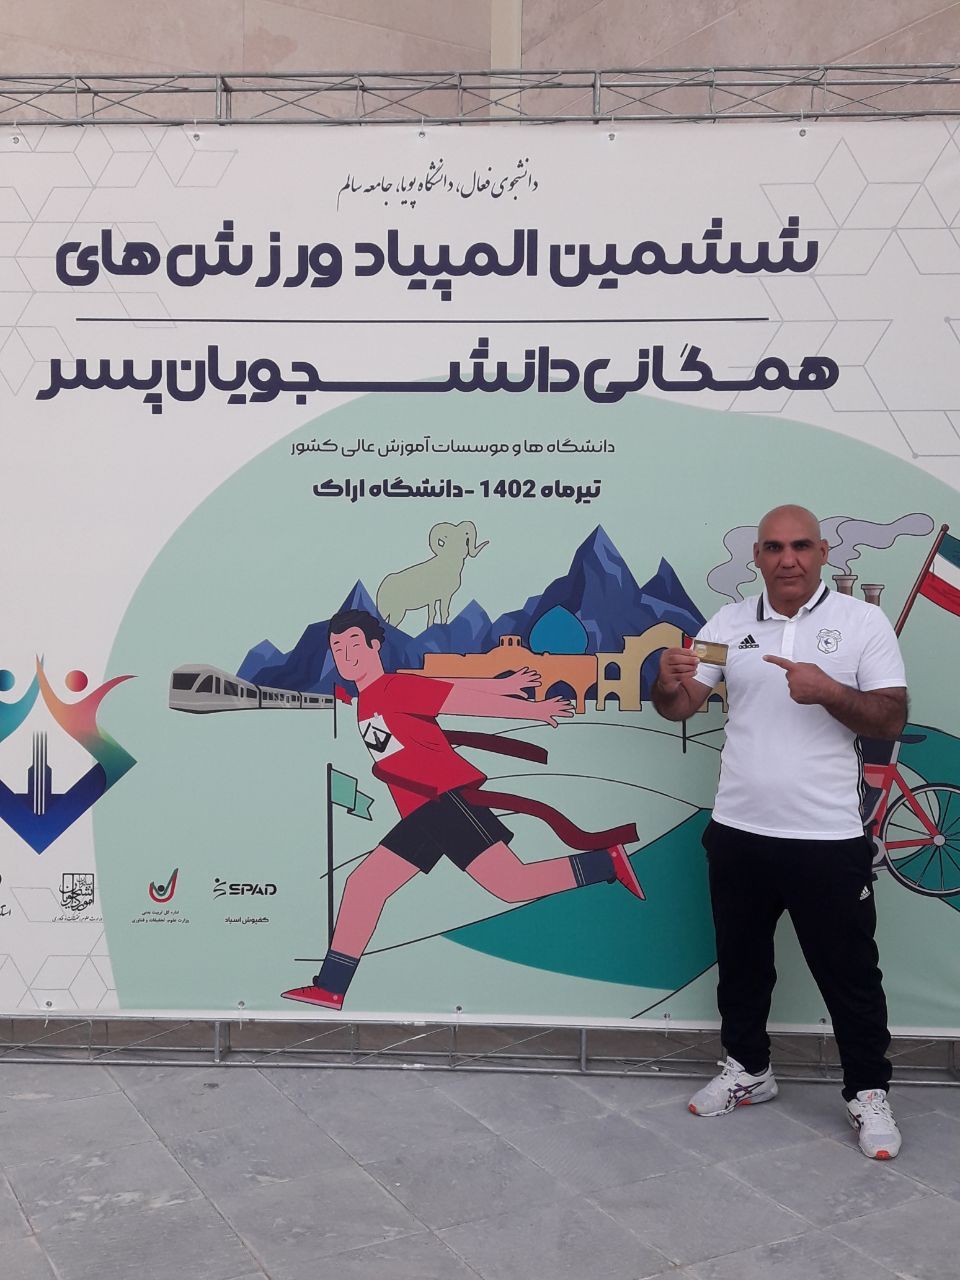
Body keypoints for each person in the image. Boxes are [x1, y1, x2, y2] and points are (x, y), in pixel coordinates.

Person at [652, 505, 907, 1160]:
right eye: (773, 547)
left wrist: (829, 691)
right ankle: (749, 1070)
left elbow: (889, 719)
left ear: (822, 552)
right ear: (757, 557)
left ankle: (868, 1091)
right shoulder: (728, 624)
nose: (787, 559)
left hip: (827, 837)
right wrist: (666, 684)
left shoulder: (863, 622)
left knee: (850, 974)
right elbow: (682, 704)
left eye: (800, 546)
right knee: (742, 967)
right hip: (738, 831)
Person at [282, 608, 643, 1010]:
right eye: (337, 648)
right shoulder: (372, 697)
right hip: (423, 813)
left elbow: (459, 700)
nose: (346, 655)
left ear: (375, 646)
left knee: (513, 885)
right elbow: (446, 687)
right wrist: (503, 685)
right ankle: (331, 987)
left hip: (444, 803)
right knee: (365, 886)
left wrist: (532, 710)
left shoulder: (391, 690)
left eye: (353, 644)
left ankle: (606, 863)